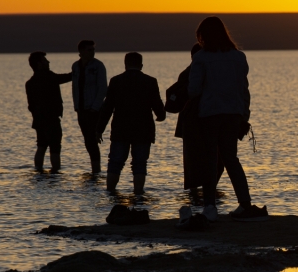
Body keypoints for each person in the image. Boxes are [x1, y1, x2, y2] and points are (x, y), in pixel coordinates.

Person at [188, 16, 268, 222]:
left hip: (209, 113)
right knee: (231, 158)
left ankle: (209, 206)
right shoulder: (238, 57)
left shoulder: (201, 58)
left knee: (210, 159)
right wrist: (244, 115)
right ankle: (244, 204)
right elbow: (244, 90)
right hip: (233, 114)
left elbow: (194, 89)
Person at [96, 52, 165, 194]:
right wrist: (161, 115)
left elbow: (107, 107)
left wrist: (99, 129)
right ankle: (138, 193)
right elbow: (157, 105)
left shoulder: (116, 81)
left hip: (121, 130)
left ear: (125, 64)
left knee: (115, 163)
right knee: (140, 164)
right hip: (143, 130)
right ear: (141, 65)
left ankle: (110, 193)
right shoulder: (150, 81)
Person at [165, 43, 224, 193]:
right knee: (208, 159)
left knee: (195, 160)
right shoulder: (196, 72)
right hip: (197, 121)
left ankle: (201, 190)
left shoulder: (188, 72)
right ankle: (205, 190)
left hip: (193, 122)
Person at [25, 52, 72, 172]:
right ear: (39, 64)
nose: (48, 62)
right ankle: (55, 173)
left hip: (39, 120)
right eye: (45, 60)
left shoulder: (30, 83)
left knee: (41, 147)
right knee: (55, 148)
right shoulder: (49, 77)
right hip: (51, 120)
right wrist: (78, 71)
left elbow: (31, 106)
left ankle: (38, 171)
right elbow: (66, 77)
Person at [71, 40, 108, 173]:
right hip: (81, 109)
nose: (92, 52)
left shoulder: (98, 66)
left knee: (93, 140)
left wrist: (95, 107)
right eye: (89, 50)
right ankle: (94, 168)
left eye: (93, 49)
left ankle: (96, 170)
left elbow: (103, 88)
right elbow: (75, 87)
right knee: (87, 139)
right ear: (81, 51)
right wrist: (76, 106)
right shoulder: (76, 66)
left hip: (94, 109)